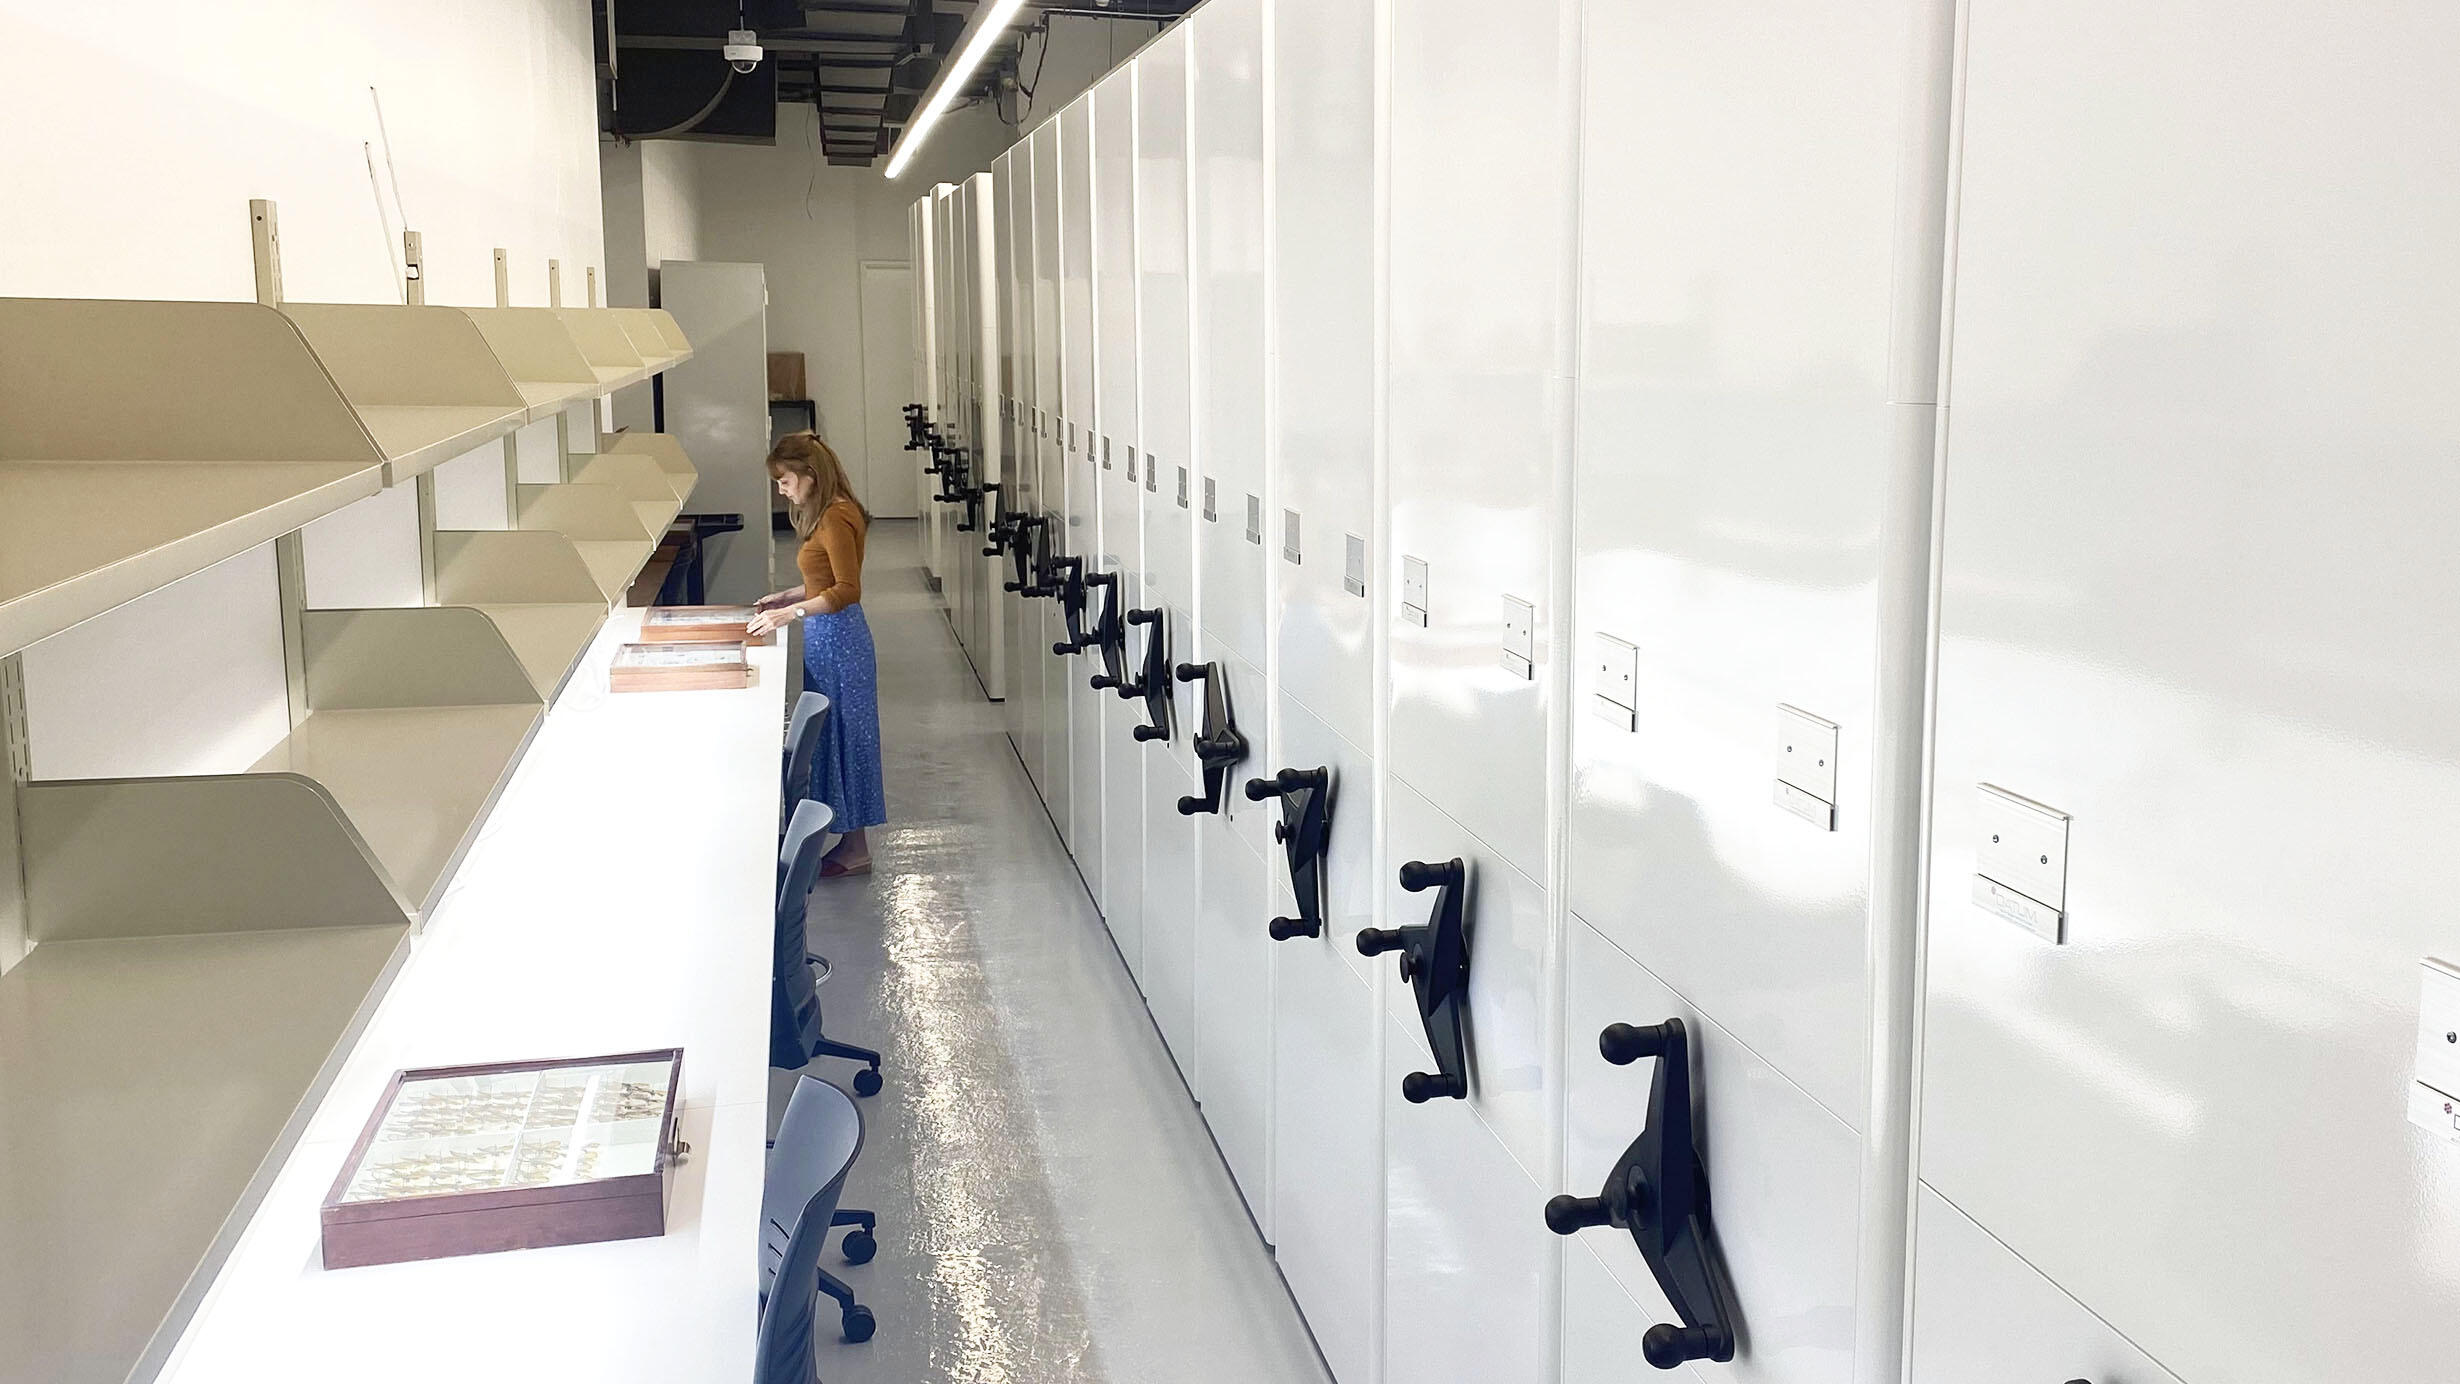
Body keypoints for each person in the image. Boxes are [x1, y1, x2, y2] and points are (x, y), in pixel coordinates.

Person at [751, 433, 885, 876]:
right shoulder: (824, 515)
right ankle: (847, 841)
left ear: (810, 475)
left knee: (848, 738)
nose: (781, 489)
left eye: (785, 480)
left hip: (842, 640)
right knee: (832, 737)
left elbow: (847, 590)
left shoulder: (836, 517)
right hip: (825, 636)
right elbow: (823, 582)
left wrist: (793, 611)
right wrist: (787, 596)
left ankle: (855, 848)